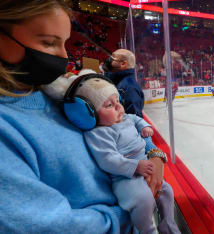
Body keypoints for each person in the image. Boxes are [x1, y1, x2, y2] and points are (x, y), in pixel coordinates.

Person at [0, 1, 164, 233]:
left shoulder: (59, 92)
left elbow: (122, 121)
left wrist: (154, 153)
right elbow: (48, 226)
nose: (64, 56)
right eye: (48, 42)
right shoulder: (7, 127)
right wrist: (131, 211)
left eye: (64, 43)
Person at [43, 71, 181, 234]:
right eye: (109, 105)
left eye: (118, 101)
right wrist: (135, 166)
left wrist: (144, 126)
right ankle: (148, 230)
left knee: (167, 191)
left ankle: (168, 225)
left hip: (144, 165)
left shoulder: (123, 118)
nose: (119, 107)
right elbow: (108, 159)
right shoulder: (99, 133)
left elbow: (135, 118)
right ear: (88, 115)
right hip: (126, 177)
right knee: (143, 199)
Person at [104, 49, 145, 118]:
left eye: (113, 58)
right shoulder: (117, 81)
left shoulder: (129, 88)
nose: (109, 60)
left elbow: (135, 120)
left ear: (123, 64)